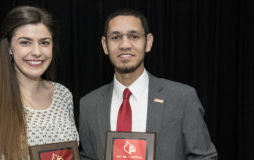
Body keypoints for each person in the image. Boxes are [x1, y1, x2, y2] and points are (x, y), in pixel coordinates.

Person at [79, 8, 217, 160]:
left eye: (134, 36)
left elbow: (204, 157)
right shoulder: (89, 105)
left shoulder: (182, 98)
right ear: (105, 45)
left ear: (148, 42)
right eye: (116, 37)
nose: (125, 44)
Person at [0, 6, 79, 160]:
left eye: (44, 43)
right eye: (25, 42)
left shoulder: (63, 95)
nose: (37, 52)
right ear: (10, 48)